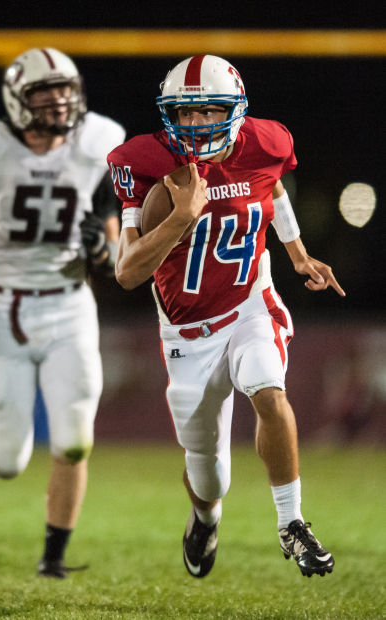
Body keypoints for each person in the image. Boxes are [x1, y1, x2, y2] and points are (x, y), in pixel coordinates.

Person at [108, 55, 344, 578]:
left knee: (267, 386)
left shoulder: (267, 141)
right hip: (187, 333)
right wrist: (182, 216)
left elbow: (272, 182)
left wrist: (297, 252)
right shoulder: (142, 160)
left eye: (208, 111)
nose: (194, 125)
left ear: (234, 110)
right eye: (183, 115)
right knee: (209, 475)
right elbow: (127, 271)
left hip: (248, 304)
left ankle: (292, 523)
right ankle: (205, 517)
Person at [0, 47, 125, 578]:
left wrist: (101, 251)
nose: (60, 103)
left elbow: (114, 261)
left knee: (74, 440)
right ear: (18, 102)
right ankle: (44, 535)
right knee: (5, 463)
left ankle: (54, 557)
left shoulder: (95, 150)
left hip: (69, 308)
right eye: (46, 95)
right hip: (5, 310)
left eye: (66, 91)